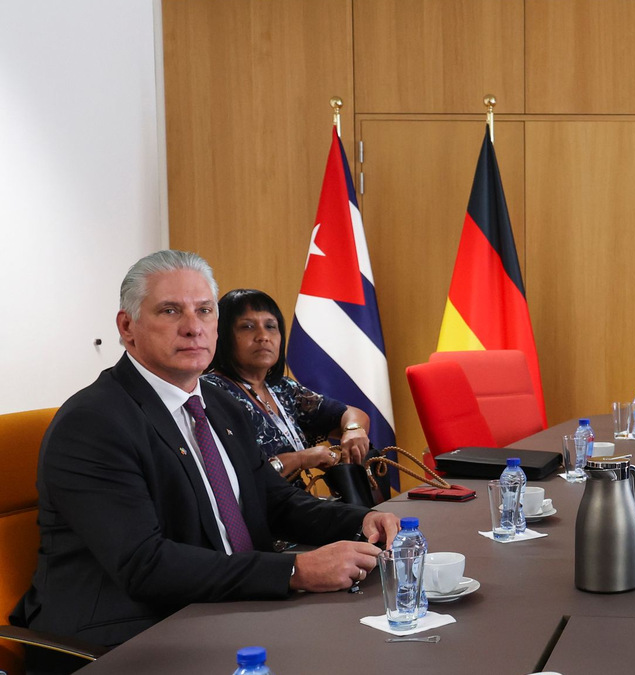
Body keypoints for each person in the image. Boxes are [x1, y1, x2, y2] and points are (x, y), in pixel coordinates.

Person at [10, 251, 401, 673]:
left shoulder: (218, 403)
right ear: (127, 327)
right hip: (129, 634)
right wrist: (296, 569)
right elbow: (145, 565)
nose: (193, 327)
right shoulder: (93, 423)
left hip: (225, 606)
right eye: (170, 310)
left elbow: (276, 502)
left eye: (204, 310)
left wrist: (359, 520)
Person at [203, 289, 371, 480]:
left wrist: (353, 429)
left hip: (297, 498)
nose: (263, 336)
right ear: (223, 336)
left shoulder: (282, 388)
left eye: (270, 326)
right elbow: (235, 475)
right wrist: (300, 459)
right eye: (247, 327)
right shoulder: (211, 391)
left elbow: (350, 414)